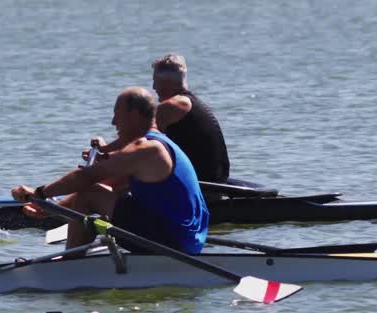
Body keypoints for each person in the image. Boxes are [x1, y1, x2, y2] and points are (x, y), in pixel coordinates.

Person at [12, 87, 209, 253]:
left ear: (134, 115)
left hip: (172, 242)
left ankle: (70, 264)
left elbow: (87, 177)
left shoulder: (146, 148)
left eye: (117, 115)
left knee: (89, 193)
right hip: (189, 240)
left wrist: (39, 192)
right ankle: (77, 253)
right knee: (92, 193)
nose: (113, 122)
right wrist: (50, 209)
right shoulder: (161, 144)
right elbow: (105, 186)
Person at [150, 54, 230, 184]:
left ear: (166, 82)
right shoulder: (191, 102)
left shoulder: (174, 105)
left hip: (205, 186)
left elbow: (137, 139)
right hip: (217, 179)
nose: (153, 87)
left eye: (155, 81)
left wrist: (108, 152)